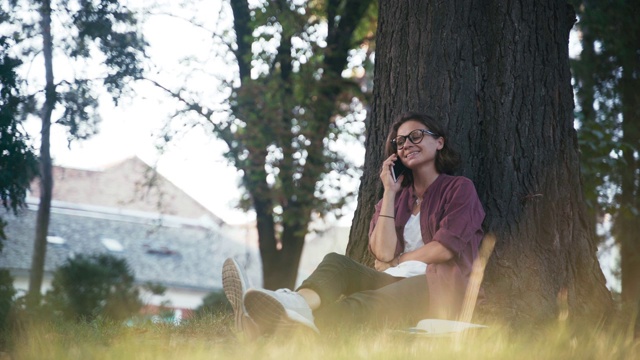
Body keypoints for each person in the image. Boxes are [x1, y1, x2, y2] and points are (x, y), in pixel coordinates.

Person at [222, 112, 485, 336]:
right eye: (400, 141)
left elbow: (444, 249)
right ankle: (294, 304)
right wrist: (390, 192)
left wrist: (399, 261)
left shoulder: (458, 188)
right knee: (337, 263)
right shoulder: (395, 197)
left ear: (439, 142)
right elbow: (382, 253)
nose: (406, 145)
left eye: (416, 136)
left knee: (360, 304)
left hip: (436, 287)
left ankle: (263, 326)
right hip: (391, 279)